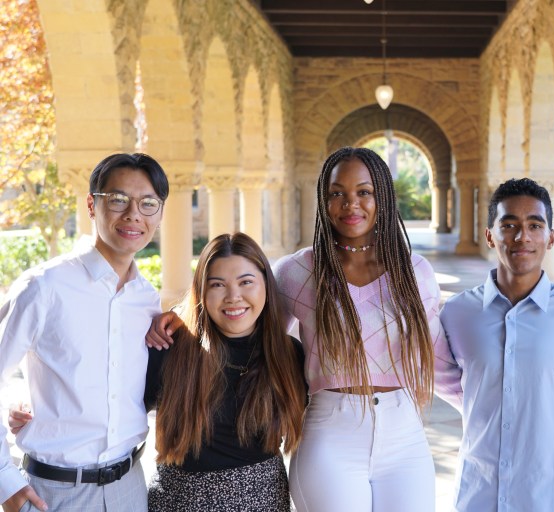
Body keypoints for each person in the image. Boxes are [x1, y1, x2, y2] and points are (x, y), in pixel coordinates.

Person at [148, 146, 459, 511]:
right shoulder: (297, 272)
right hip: (332, 432)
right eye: (337, 194)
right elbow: (250, 333)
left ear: (383, 198)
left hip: (404, 432)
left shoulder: (414, 270)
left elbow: (437, 360)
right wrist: (184, 322)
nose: (350, 204)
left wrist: (492, 416)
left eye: (364, 192)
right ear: (323, 201)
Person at [0, 153, 169, 512]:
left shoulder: (147, 299)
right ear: (92, 204)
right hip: (55, 493)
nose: (133, 214)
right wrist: (4, 481)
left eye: (148, 203)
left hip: (130, 488)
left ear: (160, 214)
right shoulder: (44, 287)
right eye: (118, 199)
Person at [437, 178, 554, 511]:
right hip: (478, 492)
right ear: (490, 235)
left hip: (549, 495)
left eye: (534, 225)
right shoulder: (456, 313)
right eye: (508, 225)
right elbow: (449, 382)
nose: (522, 237)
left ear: (551, 238)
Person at [144, 232, 306, 511]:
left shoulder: (288, 354)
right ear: (202, 292)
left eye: (246, 282)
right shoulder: (171, 348)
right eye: (217, 284)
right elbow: (117, 417)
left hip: (263, 501)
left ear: (266, 285)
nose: (233, 297)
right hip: (179, 502)